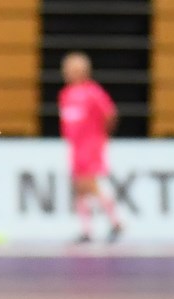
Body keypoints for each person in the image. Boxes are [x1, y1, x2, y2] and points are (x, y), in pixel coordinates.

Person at [59, 52, 121, 244]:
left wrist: (101, 136)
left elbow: (110, 114)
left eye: (73, 68)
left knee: (89, 184)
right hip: (75, 146)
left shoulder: (93, 92)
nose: (68, 72)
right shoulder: (66, 94)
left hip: (90, 144)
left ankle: (116, 222)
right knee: (78, 187)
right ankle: (87, 230)